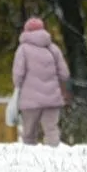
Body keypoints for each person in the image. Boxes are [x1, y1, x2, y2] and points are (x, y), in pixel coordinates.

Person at [11, 17, 70, 147]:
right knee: (51, 130)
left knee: (29, 133)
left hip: (30, 100)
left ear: (26, 31)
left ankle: (30, 160)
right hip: (52, 98)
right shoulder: (53, 49)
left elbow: (18, 75)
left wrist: (17, 86)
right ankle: (54, 158)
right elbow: (64, 74)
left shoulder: (23, 49)